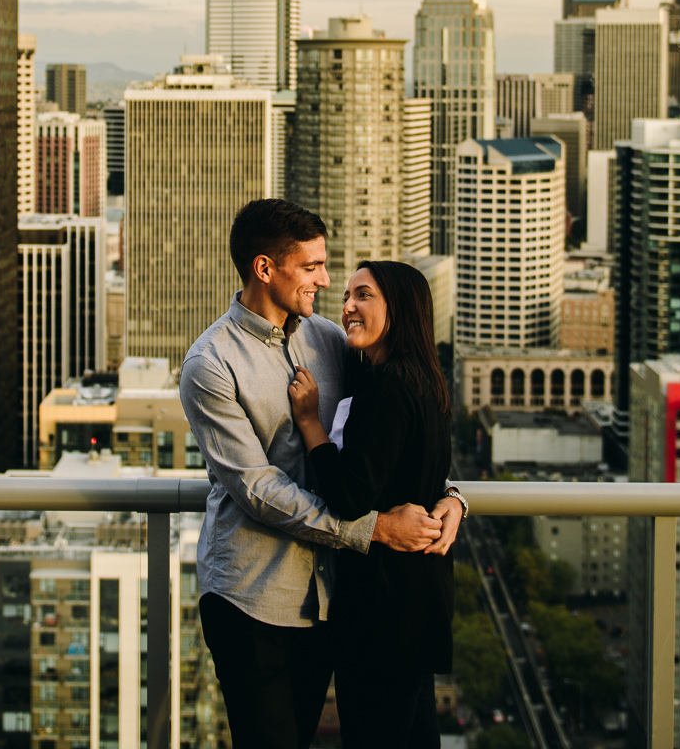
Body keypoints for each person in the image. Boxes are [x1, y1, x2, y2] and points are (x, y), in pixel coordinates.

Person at [179, 199, 466, 749]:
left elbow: (396, 434)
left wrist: (449, 495)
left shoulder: (330, 340)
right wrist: (375, 529)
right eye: (311, 266)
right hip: (254, 599)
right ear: (265, 269)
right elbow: (259, 490)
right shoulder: (211, 364)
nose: (325, 279)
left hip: (332, 603)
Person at [288, 260, 455, 749]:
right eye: (346, 295)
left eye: (364, 295)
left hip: (383, 612)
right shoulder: (426, 379)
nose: (347, 307)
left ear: (398, 308)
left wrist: (309, 422)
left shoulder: (388, 386)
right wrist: (455, 499)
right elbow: (423, 475)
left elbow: (349, 496)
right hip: (419, 599)